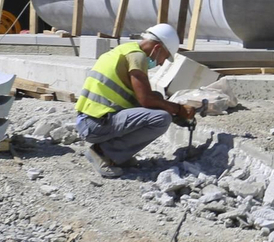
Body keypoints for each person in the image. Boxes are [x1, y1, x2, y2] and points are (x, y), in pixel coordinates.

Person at [73, 23, 190, 177]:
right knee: (161, 119)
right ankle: (102, 153)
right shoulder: (137, 57)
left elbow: (146, 98)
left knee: (158, 100)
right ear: (157, 48)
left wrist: (171, 110)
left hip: (89, 120)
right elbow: (146, 100)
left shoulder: (125, 50)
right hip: (95, 124)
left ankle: (117, 155)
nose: (161, 63)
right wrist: (179, 109)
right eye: (164, 57)